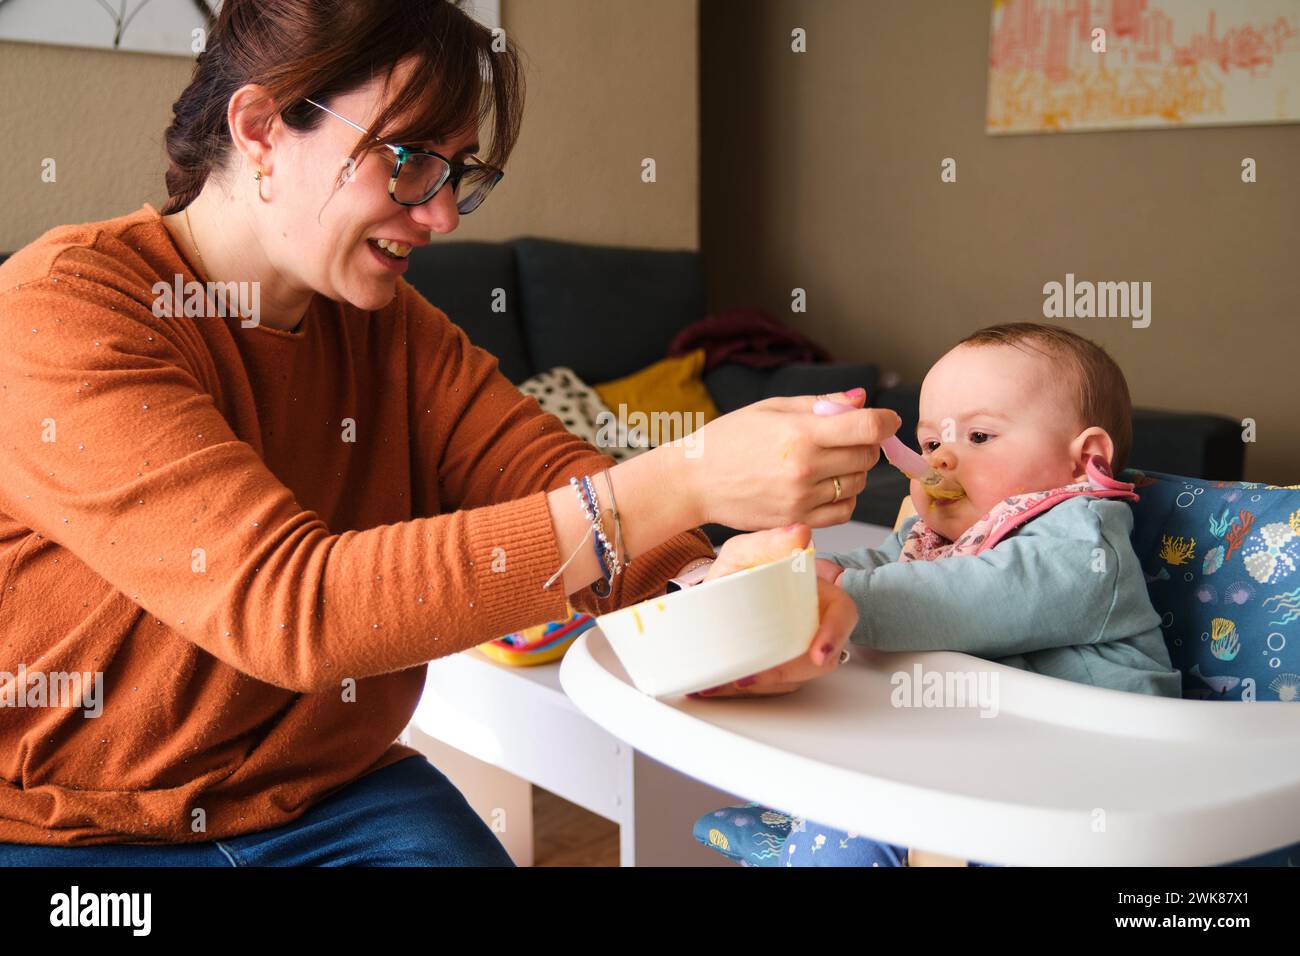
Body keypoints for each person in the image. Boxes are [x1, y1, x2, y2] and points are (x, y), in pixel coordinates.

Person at [0, 0, 897, 865]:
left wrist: (714, 590)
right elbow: (291, 609)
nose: (437, 212)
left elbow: (546, 474)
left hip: (325, 794)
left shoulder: (392, 329)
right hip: (64, 826)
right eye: (409, 160)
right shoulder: (63, 310)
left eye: (457, 170)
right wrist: (689, 475)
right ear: (262, 128)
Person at [704, 323, 1181, 866]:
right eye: (932, 442)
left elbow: (975, 597)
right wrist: (805, 574)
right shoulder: (933, 538)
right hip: (973, 777)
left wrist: (844, 591)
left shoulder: (1085, 542)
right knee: (835, 831)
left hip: (1096, 797)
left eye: (978, 437)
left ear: (1083, 457)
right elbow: (883, 566)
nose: (941, 461)